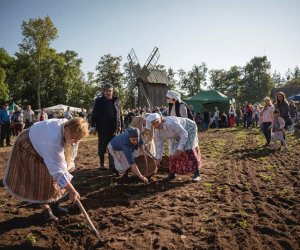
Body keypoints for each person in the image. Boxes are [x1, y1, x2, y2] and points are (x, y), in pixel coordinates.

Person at [3, 117, 89, 221]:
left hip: (42, 141)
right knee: (39, 178)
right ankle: (46, 210)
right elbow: (58, 171)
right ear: (67, 129)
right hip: (28, 146)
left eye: (78, 139)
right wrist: (72, 191)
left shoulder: (71, 129)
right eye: (74, 139)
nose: (75, 142)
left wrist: (67, 173)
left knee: (54, 178)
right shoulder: (53, 141)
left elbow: (66, 162)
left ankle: (55, 206)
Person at [145, 113, 202, 182]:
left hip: (188, 129)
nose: (156, 125)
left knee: (189, 149)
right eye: (153, 124)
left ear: (161, 119)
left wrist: (179, 149)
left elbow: (184, 134)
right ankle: (172, 173)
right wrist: (158, 158)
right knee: (172, 152)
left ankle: (197, 173)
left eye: (157, 122)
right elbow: (159, 145)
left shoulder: (171, 123)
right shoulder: (157, 132)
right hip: (175, 135)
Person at [90, 83, 121, 171]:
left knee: (112, 146)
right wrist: (93, 126)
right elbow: (94, 114)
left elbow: (119, 114)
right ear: (103, 91)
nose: (108, 92)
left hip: (113, 128)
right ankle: (102, 165)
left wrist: (119, 126)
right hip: (102, 128)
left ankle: (112, 165)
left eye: (110, 91)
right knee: (102, 146)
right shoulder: (98, 101)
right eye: (107, 91)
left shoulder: (116, 100)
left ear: (112, 91)